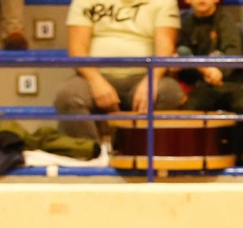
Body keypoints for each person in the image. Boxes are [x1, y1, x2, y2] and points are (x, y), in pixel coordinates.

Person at [53, 0, 183, 146]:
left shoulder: (164, 2)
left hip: (143, 76)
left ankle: (138, 153)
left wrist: (151, 81)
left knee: (169, 92)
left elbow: (165, 48)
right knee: (68, 96)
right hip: (95, 75)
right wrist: (96, 81)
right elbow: (77, 49)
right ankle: (91, 155)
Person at [177, 0, 243, 114]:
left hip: (232, 82)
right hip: (202, 86)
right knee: (188, 109)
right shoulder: (184, 24)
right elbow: (183, 57)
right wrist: (186, 68)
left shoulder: (225, 19)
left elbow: (233, 51)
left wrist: (220, 70)